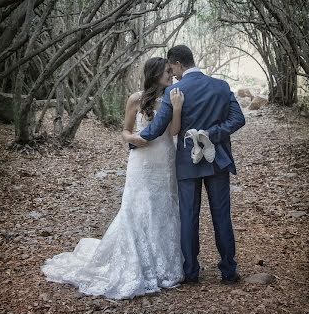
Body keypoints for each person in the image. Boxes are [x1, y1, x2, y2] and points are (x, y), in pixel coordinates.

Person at [41, 57, 185, 299]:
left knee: (163, 207)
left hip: (165, 159)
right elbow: (125, 131)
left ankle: (164, 262)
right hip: (142, 161)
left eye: (172, 71)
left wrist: (178, 109)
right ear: (154, 74)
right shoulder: (135, 99)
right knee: (136, 206)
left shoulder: (173, 97)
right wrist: (133, 139)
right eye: (167, 72)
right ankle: (134, 258)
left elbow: (173, 132)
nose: (171, 75)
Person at [133, 45, 245, 285]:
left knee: (189, 216)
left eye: (172, 68)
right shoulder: (221, 86)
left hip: (188, 163)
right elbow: (238, 119)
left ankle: (191, 273)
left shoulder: (176, 90)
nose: (172, 73)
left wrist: (135, 142)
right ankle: (228, 271)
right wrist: (212, 133)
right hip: (217, 161)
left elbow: (158, 126)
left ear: (179, 64)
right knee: (222, 216)